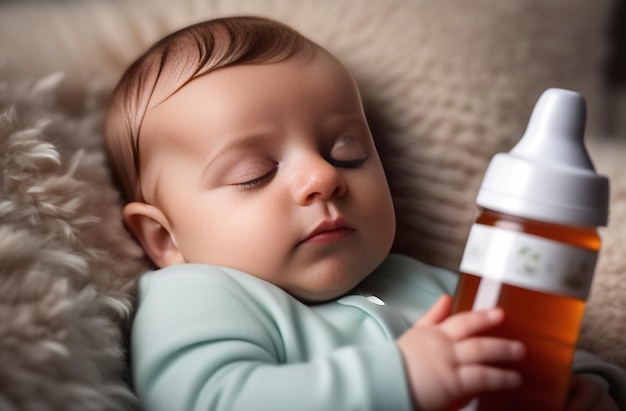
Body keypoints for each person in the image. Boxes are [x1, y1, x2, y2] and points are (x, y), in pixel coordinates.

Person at [105, 16, 624, 411]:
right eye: (256, 172)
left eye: (346, 151)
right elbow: (211, 399)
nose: (323, 177)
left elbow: (534, 347)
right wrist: (400, 375)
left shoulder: (425, 284)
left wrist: (587, 386)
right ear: (163, 237)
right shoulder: (199, 294)